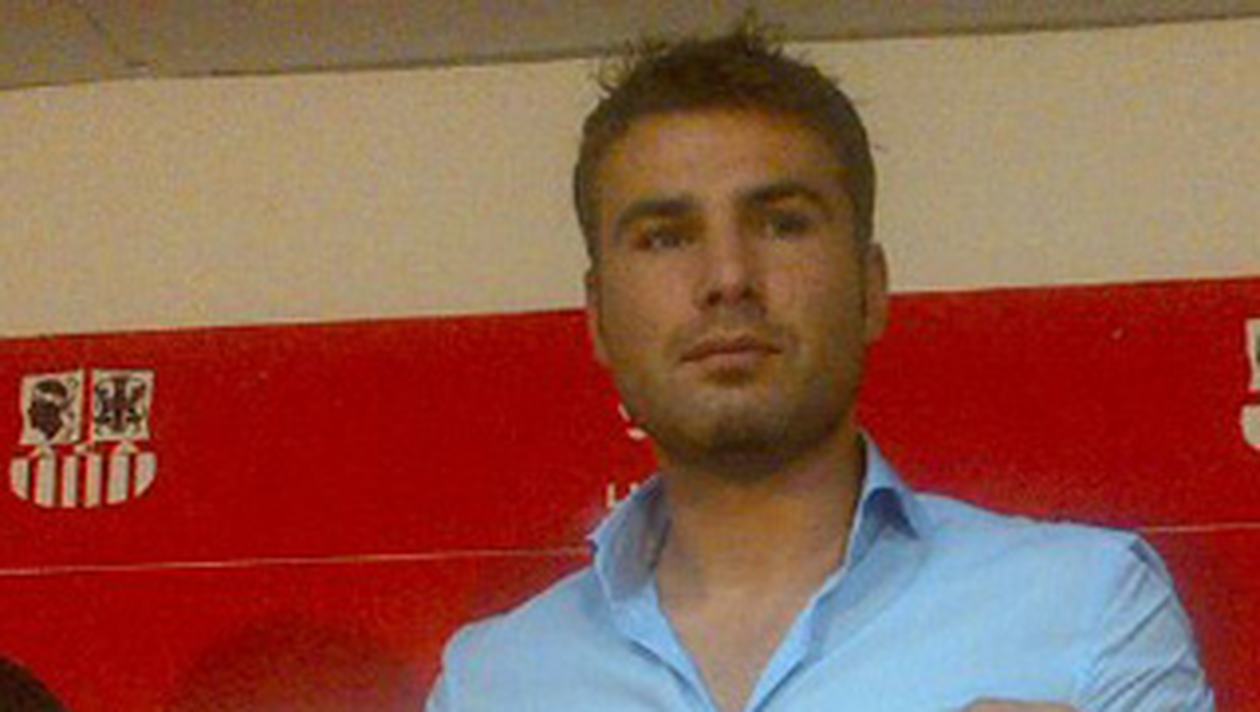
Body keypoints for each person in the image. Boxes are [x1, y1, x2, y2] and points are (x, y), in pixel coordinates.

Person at [426, 25, 1214, 712]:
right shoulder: (491, 684)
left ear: (871, 289)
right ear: (598, 317)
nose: (728, 277)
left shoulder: (1089, 609)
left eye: (782, 224)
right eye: (665, 236)